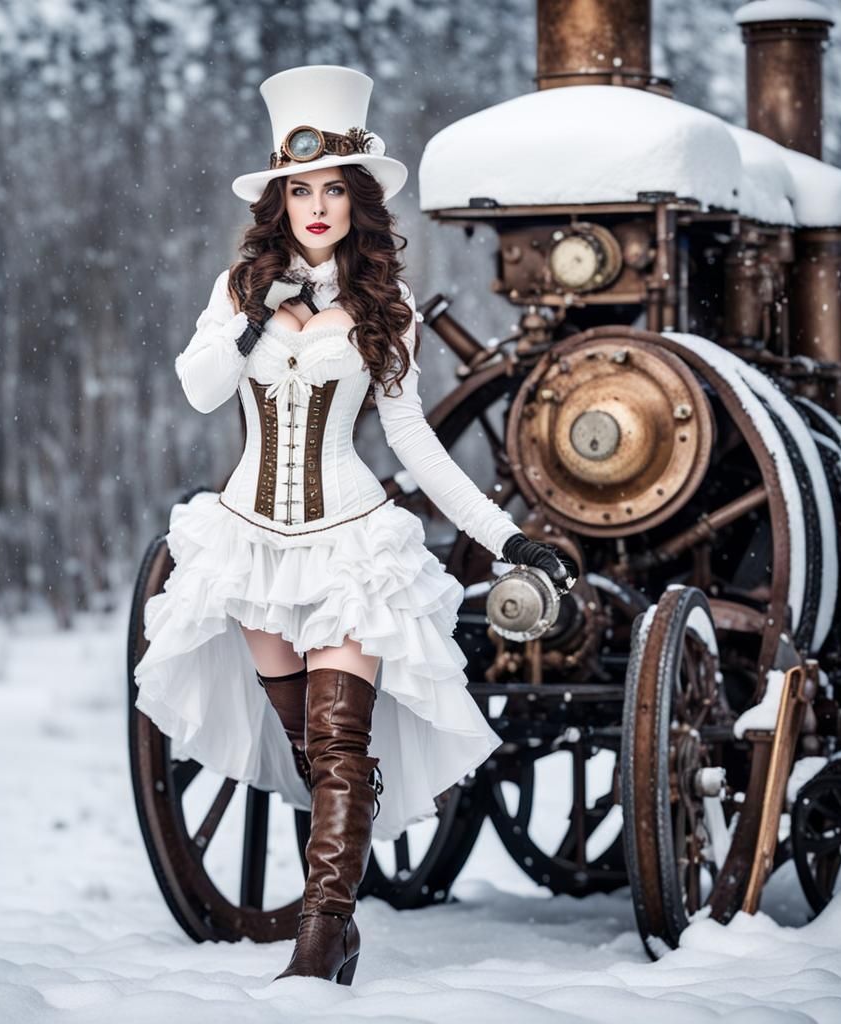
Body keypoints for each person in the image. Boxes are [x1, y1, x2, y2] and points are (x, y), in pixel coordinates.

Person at [133, 64, 578, 986]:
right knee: (312, 756)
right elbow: (200, 388)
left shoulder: (386, 309)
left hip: (350, 546)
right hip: (251, 544)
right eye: (302, 190)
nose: (319, 206)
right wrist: (256, 317)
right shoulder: (235, 291)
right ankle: (337, 923)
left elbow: (414, 442)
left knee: (340, 749)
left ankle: (321, 936)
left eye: (336, 189)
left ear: (359, 199)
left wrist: (505, 538)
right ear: (280, 201)